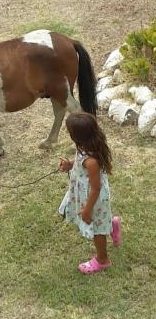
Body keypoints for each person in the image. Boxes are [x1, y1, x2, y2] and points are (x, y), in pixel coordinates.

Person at [59, 112, 121, 274]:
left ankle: (102, 260)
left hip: (93, 199)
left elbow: (96, 188)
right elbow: (80, 163)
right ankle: (111, 226)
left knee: (96, 228)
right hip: (87, 194)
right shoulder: (84, 147)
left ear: (76, 136)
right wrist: (70, 164)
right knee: (100, 221)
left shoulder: (92, 161)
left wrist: (87, 209)